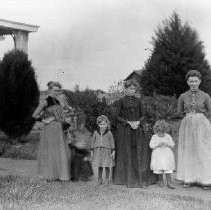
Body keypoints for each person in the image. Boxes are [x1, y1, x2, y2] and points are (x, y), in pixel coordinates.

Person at [113, 79, 157, 188]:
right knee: (127, 153)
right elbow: (117, 116)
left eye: (133, 89)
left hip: (138, 129)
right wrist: (128, 122)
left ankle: (141, 179)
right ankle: (126, 179)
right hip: (125, 130)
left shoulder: (138, 101)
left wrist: (138, 122)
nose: (132, 91)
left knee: (139, 153)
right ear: (126, 89)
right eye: (130, 88)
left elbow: (143, 115)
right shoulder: (121, 101)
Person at [177, 70, 211, 190]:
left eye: (196, 81)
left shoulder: (206, 96)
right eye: (191, 81)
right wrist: (189, 117)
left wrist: (201, 119)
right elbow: (179, 111)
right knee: (188, 151)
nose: (193, 84)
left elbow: (210, 111)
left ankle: (205, 180)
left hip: (203, 126)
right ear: (187, 82)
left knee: (203, 151)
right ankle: (189, 179)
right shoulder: (182, 96)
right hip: (187, 126)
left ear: (200, 81)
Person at [32, 81, 71, 181]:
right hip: (49, 128)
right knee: (50, 150)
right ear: (50, 90)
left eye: (58, 91)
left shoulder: (57, 102)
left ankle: (57, 175)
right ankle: (48, 175)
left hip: (58, 129)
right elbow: (35, 114)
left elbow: (61, 117)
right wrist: (44, 120)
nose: (57, 92)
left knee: (58, 151)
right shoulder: (45, 101)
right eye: (55, 90)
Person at [149, 120, 175, 189]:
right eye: (159, 132)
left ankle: (169, 182)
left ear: (165, 130)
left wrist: (167, 144)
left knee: (167, 168)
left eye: (163, 132)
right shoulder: (154, 137)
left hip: (167, 155)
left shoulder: (168, 136)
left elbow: (172, 144)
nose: (161, 134)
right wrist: (157, 144)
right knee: (159, 168)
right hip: (158, 155)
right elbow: (151, 145)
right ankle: (160, 180)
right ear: (156, 131)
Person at [91, 115, 115, 186]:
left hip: (107, 151)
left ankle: (107, 180)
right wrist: (92, 150)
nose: (102, 126)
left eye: (104, 124)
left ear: (107, 124)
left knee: (107, 165)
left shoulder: (109, 133)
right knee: (100, 165)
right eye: (101, 124)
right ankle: (99, 180)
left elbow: (112, 142)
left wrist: (113, 151)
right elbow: (92, 141)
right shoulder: (95, 132)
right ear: (98, 125)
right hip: (98, 150)